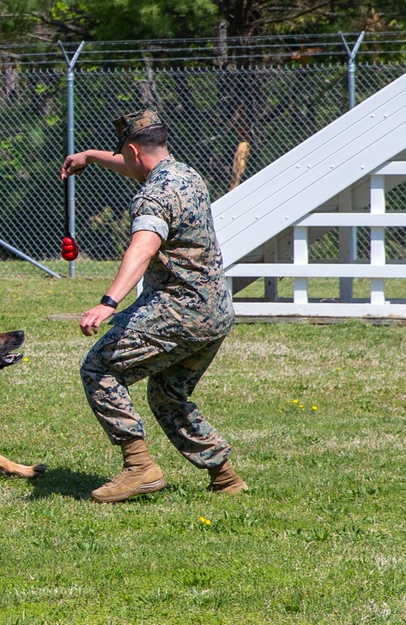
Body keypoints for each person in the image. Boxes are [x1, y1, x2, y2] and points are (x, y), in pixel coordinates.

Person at [60, 109, 246, 503]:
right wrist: (91, 156)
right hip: (215, 311)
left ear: (131, 149)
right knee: (167, 394)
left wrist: (108, 302)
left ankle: (139, 468)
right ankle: (225, 476)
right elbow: (134, 165)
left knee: (99, 368)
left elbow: (143, 247)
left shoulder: (153, 195)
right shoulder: (185, 174)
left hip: (178, 312)